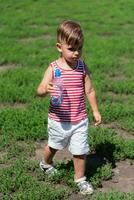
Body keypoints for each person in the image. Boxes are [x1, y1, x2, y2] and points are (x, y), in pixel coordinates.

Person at [36, 20, 101, 195]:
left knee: (80, 151)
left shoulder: (81, 66)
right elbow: (40, 89)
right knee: (54, 145)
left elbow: (90, 90)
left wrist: (95, 110)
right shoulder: (54, 68)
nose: (76, 53)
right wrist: (45, 90)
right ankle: (45, 164)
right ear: (59, 47)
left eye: (80, 48)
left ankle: (80, 179)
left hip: (79, 119)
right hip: (58, 120)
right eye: (71, 49)